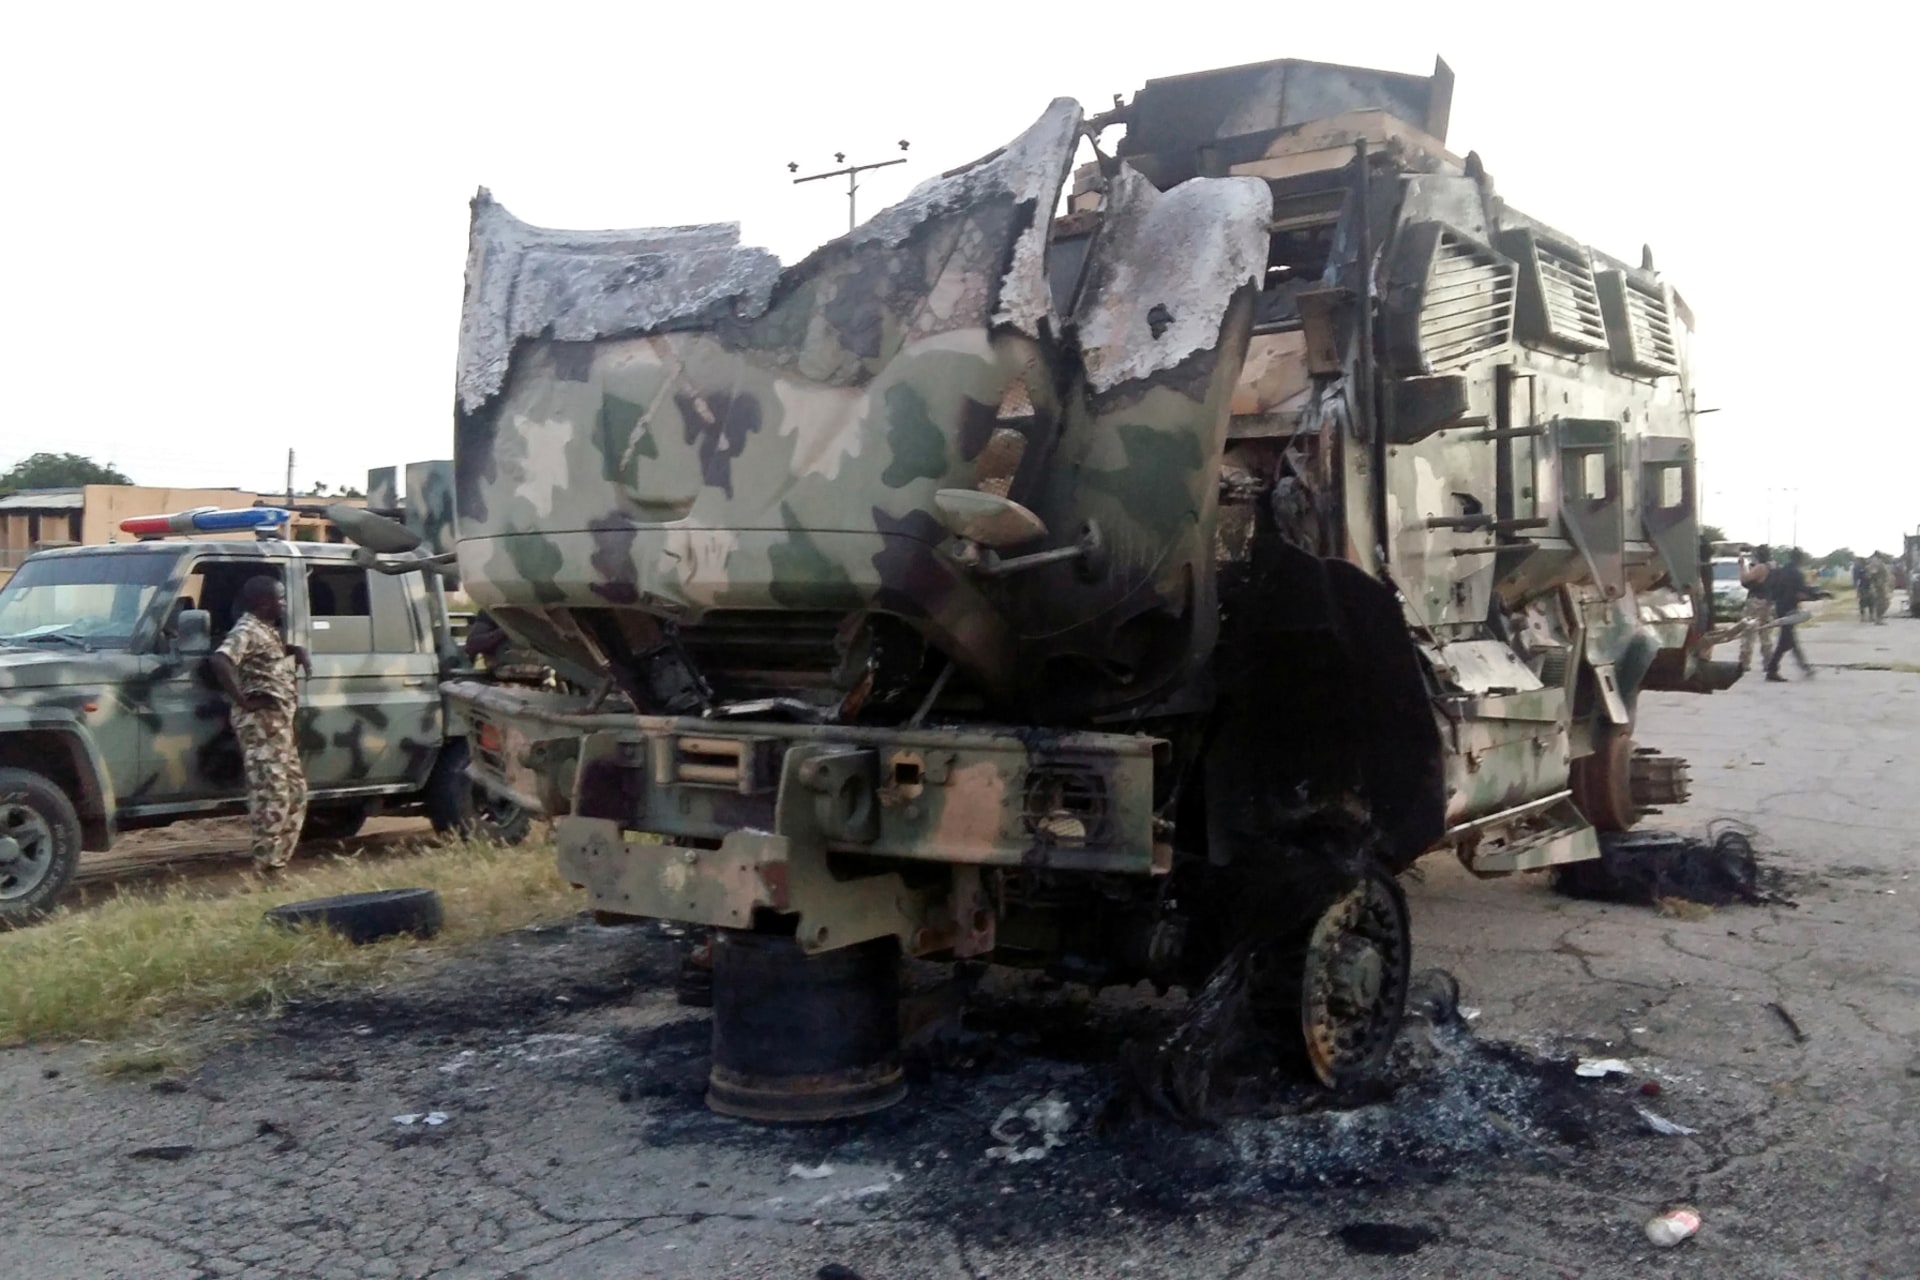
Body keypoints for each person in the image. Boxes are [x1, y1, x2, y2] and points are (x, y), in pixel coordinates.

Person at [210, 576, 311, 871]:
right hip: (261, 724)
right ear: (263, 602)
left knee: (295, 791)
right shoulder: (247, 629)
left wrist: (294, 650)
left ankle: (278, 859)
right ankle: (267, 866)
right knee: (272, 793)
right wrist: (243, 701)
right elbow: (221, 660)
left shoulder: (266, 629)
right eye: (280, 599)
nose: (283, 604)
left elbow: (264, 655)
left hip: (279, 724)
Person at [1763, 551, 1819, 683]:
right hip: (1790, 608)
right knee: (1785, 641)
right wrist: (1815, 595)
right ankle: (1772, 669)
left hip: (1780, 606)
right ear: (1800, 560)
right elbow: (1801, 591)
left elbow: (1772, 588)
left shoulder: (1780, 571)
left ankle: (1804, 666)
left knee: (1790, 639)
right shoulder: (1796, 573)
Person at [1737, 546, 1774, 672]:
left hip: (1755, 601)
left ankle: (1744, 662)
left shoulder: (1761, 567)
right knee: (1765, 633)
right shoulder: (1772, 567)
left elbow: (1745, 580)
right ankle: (1768, 661)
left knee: (1748, 632)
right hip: (1767, 601)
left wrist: (1742, 566)